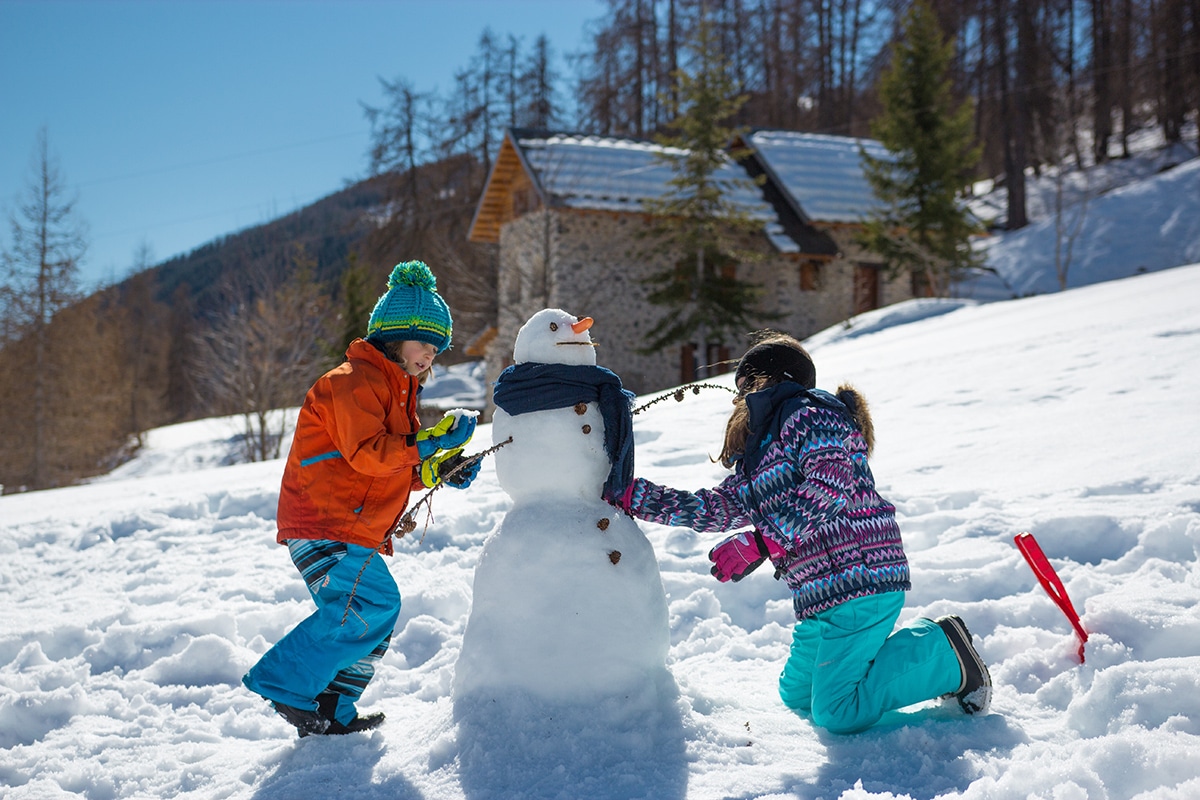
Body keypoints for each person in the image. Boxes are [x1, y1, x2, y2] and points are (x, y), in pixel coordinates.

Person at [609, 331, 991, 734]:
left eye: (743, 388)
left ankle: (944, 653)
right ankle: (898, 659)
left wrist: (764, 540)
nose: (738, 401)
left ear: (764, 381)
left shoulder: (808, 413)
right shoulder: (760, 454)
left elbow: (831, 480)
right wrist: (636, 497)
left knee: (837, 711)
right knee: (798, 695)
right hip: (821, 593)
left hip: (860, 577)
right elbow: (719, 507)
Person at [243, 260, 480, 737]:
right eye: (424, 342)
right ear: (395, 335)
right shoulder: (350, 382)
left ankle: (330, 705)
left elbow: (395, 468)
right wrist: (431, 442)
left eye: (438, 347)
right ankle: (285, 680)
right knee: (369, 606)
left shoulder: (398, 394)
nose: (430, 355)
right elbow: (368, 456)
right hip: (324, 520)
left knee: (374, 614)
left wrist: (438, 469)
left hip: (351, 526)